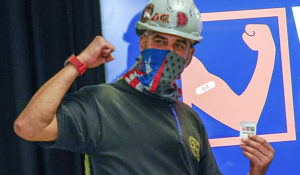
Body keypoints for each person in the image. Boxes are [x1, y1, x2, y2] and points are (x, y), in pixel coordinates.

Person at [14, 0, 275, 174]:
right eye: (160, 41)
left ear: (190, 56)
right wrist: (79, 62)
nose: (168, 53)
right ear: (143, 43)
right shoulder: (102, 102)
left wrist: (256, 172)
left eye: (179, 46)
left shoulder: (189, 118)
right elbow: (29, 126)